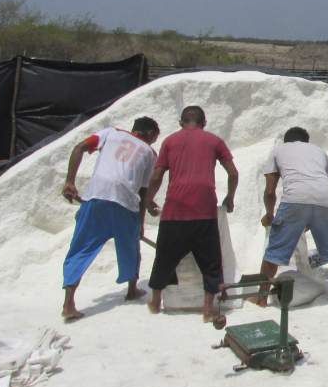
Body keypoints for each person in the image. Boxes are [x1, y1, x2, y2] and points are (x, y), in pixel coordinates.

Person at [144, 105, 238, 324]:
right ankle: (207, 310)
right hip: (205, 211)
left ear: (181, 122)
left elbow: (157, 176)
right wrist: (230, 197)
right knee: (211, 264)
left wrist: (148, 200)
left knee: (164, 258)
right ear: (204, 122)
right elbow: (233, 173)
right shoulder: (214, 141)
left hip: (174, 211)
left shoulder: (169, 141)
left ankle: (155, 302)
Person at [60, 117, 160, 321]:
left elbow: (79, 148)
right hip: (126, 204)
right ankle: (132, 289)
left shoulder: (110, 133)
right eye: (155, 137)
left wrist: (70, 181)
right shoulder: (150, 153)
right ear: (150, 133)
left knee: (80, 248)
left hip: (96, 198)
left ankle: (68, 304)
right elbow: (143, 191)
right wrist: (140, 224)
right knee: (130, 248)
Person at [252, 126, 328, 305]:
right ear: (306, 141)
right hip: (327, 199)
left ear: (286, 140)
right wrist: (310, 220)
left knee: (274, 251)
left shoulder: (279, 150)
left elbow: (270, 191)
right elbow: (321, 182)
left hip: (295, 198)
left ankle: (262, 298)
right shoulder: (319, 152)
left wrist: (269, 214)